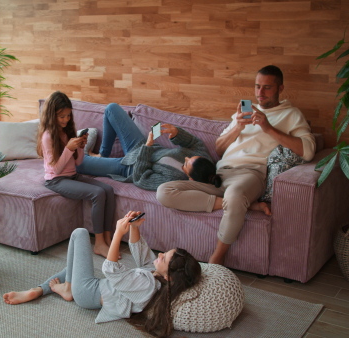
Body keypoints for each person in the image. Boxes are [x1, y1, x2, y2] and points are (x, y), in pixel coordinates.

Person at [157, 65, 316, 266]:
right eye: (257, 87)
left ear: (280, 88)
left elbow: (309, 150)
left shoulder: (291, 114)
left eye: (267, 88)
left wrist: (267, 127)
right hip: (220, 174)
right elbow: (219, 149)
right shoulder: (242, 113)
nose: (260, 93)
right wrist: (238, 127)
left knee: (234, 195)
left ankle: (217, 258)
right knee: (164, 191)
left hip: (250, 175)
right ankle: (245, 205)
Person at [3, 211, 201, 337]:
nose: (160, 255)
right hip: (95, 289)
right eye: (164, 253)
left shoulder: (147, 284)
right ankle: (38, 290)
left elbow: (110, 269)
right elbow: (141, 252)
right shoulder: (156, 278)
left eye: (164, 258)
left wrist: (117, 234)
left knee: (80, 233)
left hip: (88, 293)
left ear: (170, 277)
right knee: (69, 268)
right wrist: (133, 227)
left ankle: (69, 289)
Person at [37, 91, 116, 258]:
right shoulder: (48, 136)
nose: (66, 119)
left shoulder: (68, 131)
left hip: (72, 175)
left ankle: (108, 239)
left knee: (108, 189)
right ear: (52, 115)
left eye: (68, 115)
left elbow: (78, 163)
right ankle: (99, 243)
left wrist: (80, 147)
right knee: (98, 193)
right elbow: (56, 169)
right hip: (56, 180)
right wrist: (69, 149)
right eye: (62, 116)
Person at [76, 102, 220, 191]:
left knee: (77, 162)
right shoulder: (204, 161)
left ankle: (92, 157)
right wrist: (177, 133)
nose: (186, 157)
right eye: (190, 157)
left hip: (129, 167)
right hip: (139, 146)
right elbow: (195, 143)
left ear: (190, 179)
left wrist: (148, 146)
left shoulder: (173, 181)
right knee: (111, 109)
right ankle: (103, 155)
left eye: (186, 163)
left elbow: (140, 179)